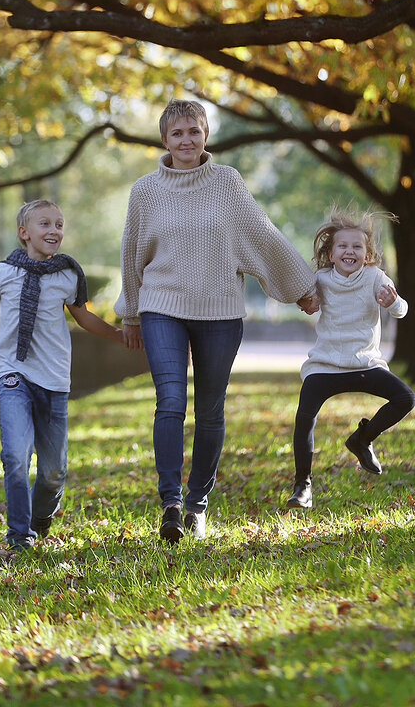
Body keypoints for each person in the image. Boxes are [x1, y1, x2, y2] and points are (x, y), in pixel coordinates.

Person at [116, 99, 318, 543]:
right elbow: (131, 254)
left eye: (194, 131)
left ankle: (197, 506)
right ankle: (170, 504)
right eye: (177, 133)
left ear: (206, 135)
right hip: (161, 307)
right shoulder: (145, 190)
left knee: (210, 411)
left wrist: (300, 286)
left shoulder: (227, 183)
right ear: (164, 140)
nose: (186, 140)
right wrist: (130, 312)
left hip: (220, 311)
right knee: (170, 401)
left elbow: (261, 235)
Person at [0, 199, 123, 550]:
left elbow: (84, 317)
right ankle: (19, 535)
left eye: (59, 224)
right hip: (13, 373)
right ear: (24, 233)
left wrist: (120, 335)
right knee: (15, 457)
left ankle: (39, 518)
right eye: (45, 224)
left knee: (53, 473)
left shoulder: (67, 275)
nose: (54, 230)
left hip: (54, 379)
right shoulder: (2, 273)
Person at [286, 206, 415, 510]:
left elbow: (402, 310)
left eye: (357, 247)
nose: (350, 251)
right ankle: (303, 485)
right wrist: (306, 302)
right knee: (304, 417)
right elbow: (305, 300)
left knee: (406, 398)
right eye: (342, 246)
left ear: (367, 255)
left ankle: (362, 439)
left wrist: (393, 302)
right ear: (331, 254)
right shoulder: (321, 279)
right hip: (325, 366)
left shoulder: (375, 277)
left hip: (364, 364)